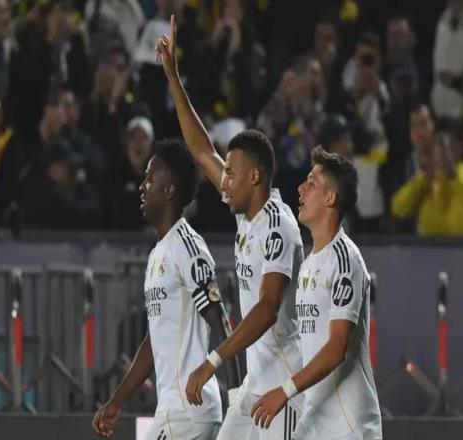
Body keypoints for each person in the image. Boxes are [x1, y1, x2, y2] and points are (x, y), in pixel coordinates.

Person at [156, 16, 304, 439]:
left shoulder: (278, 227)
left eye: (231, 175)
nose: (222, 182)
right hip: (256, 382)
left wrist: (213, 360)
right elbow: (201, 150)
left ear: (255, 178)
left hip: (283, 386)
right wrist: (173, 78)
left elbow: (268, 309)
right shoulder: (246, 214)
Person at [91, 139, 241, 439]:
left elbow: (221, 322)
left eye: (150, 178)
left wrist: (237, 400)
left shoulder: (189, 247)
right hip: (173, 410)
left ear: (169, 190)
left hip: (189, 411)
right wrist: (116, 402)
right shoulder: (158, 253)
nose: (142, 187)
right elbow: (154, 342)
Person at [250, 147, 382, 440]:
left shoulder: (346, 261)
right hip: (316, 420)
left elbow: (336, 348)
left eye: (312, 183)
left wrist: (284, 390)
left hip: (349, 427)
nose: (301, 188)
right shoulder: (310, 264)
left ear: (330, 198)